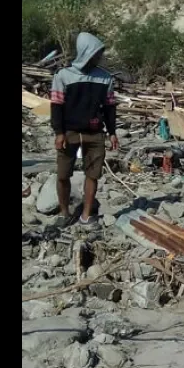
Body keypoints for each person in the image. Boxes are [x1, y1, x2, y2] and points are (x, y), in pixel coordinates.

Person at [50, 32, 119, 227]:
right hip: (69, 132)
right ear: (86, 52)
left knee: (93, 174)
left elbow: (109, 107)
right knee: (63, 174)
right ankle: (64, 213)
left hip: (95, 133)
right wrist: (59, 132)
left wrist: (113, 132)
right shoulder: (63, 75)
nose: (99, 56)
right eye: (97, 52)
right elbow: (56, 106)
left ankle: (86, 215)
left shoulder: (105, 78)